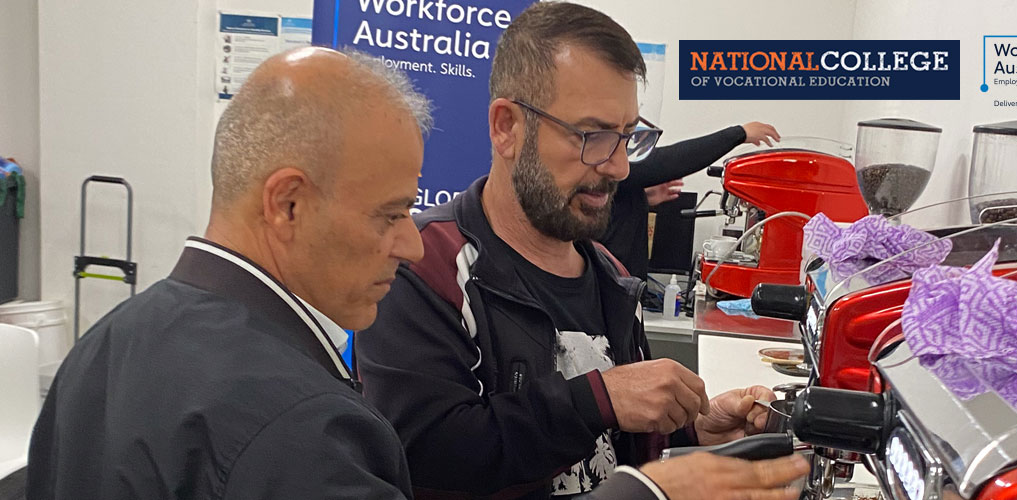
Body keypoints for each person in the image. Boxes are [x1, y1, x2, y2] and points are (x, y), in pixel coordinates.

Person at [26, 45, 806, 500]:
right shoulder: (303, 425)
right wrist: (650, 494)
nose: (406, 245)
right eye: (389, 214)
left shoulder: (105, 344)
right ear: (288, 205)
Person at [357, 3, 797, 499]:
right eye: (593, 136)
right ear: (506, 127)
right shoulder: (423, 265)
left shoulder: (608, 273)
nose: (619, 167)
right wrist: (598, 399)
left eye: (628, 137)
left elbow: (620, 449)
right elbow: (424, 459)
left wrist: (693, 435)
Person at [600, 122, 780, 279]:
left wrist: (640, 199)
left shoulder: (611, 174)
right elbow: (669, 161)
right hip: (609, 289)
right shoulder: (603, 160)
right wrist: (739, 133)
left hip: (620, 288)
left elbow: (614, 201)